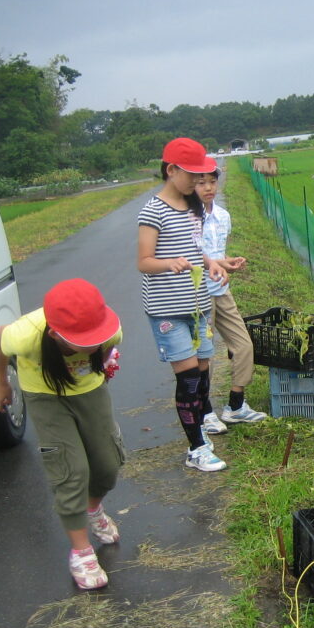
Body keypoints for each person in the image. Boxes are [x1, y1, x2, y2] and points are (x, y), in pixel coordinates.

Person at [0, 278, 124, 590]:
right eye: (83, 340)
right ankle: (81, 551)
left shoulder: (111, 328)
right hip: (44, 396)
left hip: (90, 390)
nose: (92, 344)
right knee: (70, 469)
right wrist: (1, 381)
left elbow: (108, 349)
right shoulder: (25, 335)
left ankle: (93, 509)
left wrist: (105, 360)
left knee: (107, 464)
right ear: (54, 334)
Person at [137, 137, 228, 473]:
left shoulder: (193, 207)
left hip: (197, 305)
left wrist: (212, 262)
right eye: (192, 174)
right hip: (167, 310)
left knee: (203, 370)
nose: (197, 182)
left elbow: (193, 248)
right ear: (171, 170)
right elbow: (144, 261)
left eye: (203, 175)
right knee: (188, 378)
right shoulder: (153, 211)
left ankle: (200, 423)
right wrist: (169, 263)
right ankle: (196, 448)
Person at [196, 167, 268, 430]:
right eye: (201, 182)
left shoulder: (223, 216)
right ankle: (203, 413)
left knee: (244, 345)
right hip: (197, 294)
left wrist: (229, 263)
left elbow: (216, 255)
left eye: (212, 181)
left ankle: (236, 405)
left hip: (220, 289)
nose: (208, 187)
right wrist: (218, 264)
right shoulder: (188, 218)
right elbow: (193, 258)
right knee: (204, 355)